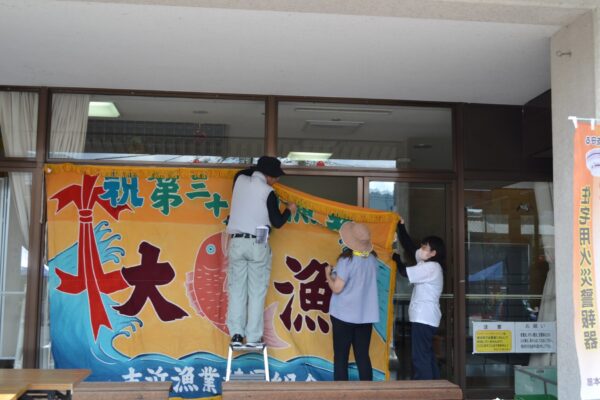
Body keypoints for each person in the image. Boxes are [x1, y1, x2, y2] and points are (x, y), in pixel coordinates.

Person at [226, 156, 297, 348]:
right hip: (258, 242)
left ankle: (236, 334)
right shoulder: (268, 192)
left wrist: (258, 169)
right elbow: (277, 222)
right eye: (275, 176)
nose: (277, 180)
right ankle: (253, 337)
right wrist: (289, 210)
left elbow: (245, 172)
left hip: (237, 241)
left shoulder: (239, 180)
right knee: (256, 292)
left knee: (237, 290)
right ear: (268, 175)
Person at [325, 222, 379, 381]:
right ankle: (368, 392)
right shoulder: (373, 259)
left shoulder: (346, 260)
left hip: (343, 315)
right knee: (363, 356)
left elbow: (337, 288)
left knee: (341, 357)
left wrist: (327, 274)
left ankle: (342, 393)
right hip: (365, 317)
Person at [392, 218, 445, 380]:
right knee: (427, 355)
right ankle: (436, 387)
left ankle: (425, 389)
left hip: (424, 317)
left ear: (433, 253)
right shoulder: (426, 263)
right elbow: (409, 247)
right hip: (426, 318)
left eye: (424, 248)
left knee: (420, 357)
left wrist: (395, 257)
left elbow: (404, 272)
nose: (421, 250)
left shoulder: (431, 267)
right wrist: (401, 226)